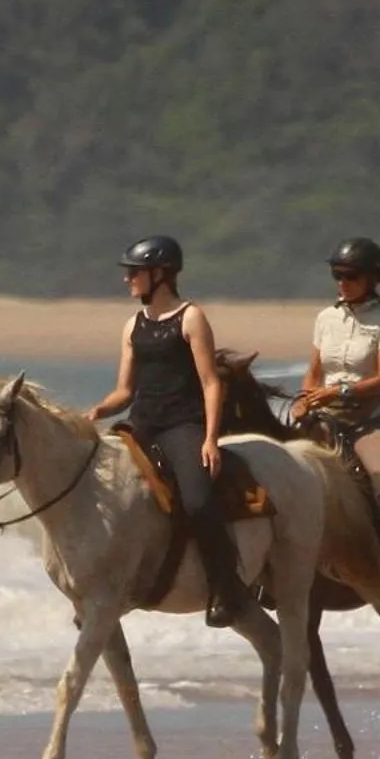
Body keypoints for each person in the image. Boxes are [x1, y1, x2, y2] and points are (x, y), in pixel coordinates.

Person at [86, 235, 253, 628]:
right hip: (142, 425)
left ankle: (226, 588)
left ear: (159, 274)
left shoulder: (191, 317)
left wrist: (210, 439)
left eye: (134, 272)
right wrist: (96, 410)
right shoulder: (133, 325)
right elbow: (125, 391)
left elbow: (211, 382)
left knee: (196, 501)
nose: (128, 280)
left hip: (183, 426)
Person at [290, 237, 380, 572]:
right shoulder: (325, 318)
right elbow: (314, 371)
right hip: (322, 416)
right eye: (337, 276)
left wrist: (338, 392)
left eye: (350, 276)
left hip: (365, 421)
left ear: (372, 278)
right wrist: (305, 399)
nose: (342, 283)